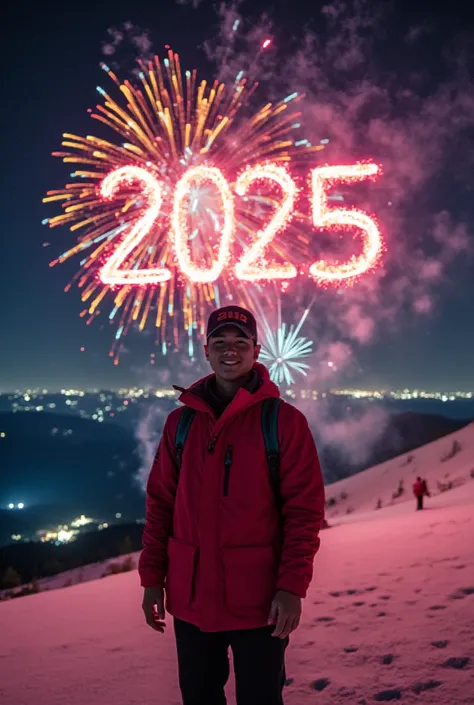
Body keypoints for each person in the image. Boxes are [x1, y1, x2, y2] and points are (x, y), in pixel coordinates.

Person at [139, 305, 325, 705]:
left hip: (260, 603)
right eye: (220, 342)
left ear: (256, 351)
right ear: (205, 350)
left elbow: (304, 514)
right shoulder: (181, 424)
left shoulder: (284, 422)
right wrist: (152, 578)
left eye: (240, 342)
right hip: (191, 601)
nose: (230, 350)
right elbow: (160, 504)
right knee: (199, 697)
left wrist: (292, 587)